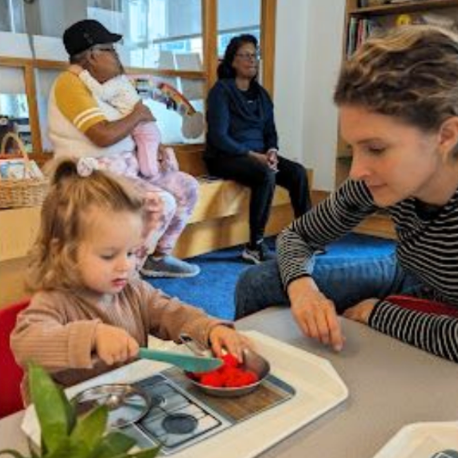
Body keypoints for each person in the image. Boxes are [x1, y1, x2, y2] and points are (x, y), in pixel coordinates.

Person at [235, 25, 458, 363]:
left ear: (446, 135)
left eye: (376, 148)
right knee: (257, 283)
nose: (356, 171)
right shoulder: (376, 179)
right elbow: (297, 236)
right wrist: (303, 288)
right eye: (353, 147)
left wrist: (378, 314)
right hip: (413, 272)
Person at [11, 158, 252, 396]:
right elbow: (25, 345)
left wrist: (210, 329)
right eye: (108, 255)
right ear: (64, 252)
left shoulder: (133, 290)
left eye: (131, 252)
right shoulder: (54, 300)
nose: (125, 265)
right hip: (67, 420)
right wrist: (92, 338)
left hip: (124, 403)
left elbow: (172, 312)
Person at [48, 19, 199, 278]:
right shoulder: (69, 83)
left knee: (186, 186)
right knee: (160, 202)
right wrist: (139, 115)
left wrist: (156, 146)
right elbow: (102, 136)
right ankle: (128, 275)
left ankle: (158, 257)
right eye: (112, 49)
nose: (118, 56)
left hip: (127, 168)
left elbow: (131, 125)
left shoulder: (112, 86)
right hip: (90, 175)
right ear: (93, 55)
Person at [204, 34, 311, 264]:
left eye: (254, 55)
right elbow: (218, 137)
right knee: (266, 173)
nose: (252, 60)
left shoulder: (262, 95)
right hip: (225, 156)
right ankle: (254, 247)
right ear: (232, 61)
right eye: (245, 55)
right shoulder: (221, 91)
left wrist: (271, 151)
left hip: (259, 155)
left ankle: (307, 239)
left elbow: (270, 131)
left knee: (298, 173)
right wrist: (254, 156)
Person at [68, 63, 179, 179]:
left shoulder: (117, 83)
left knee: (148, 171)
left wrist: (82, 74)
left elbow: (101, 93)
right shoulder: (123, 82)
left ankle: (168, 158)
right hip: (141, 131)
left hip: (146, 133)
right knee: (143, 163)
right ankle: (163, 161)